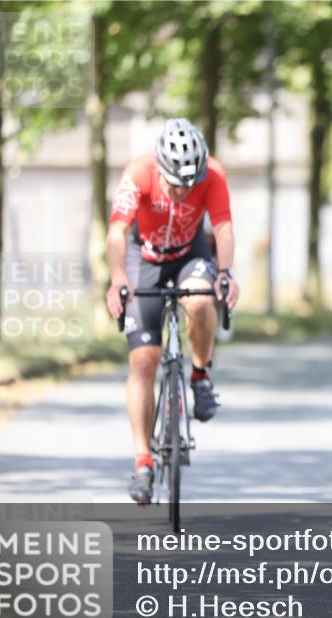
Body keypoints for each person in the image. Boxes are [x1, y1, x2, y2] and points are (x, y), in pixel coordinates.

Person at [104, 118, 241, 504]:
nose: (182, 192)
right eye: (174, 184)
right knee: (144, 362)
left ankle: (200, 373)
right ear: (159, 169)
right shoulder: (138, 173)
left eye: (189, 184)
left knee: (199, 299)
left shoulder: (212, 175)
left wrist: (226, 274)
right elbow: (116, 231)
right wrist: (117, 279)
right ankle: (143, 462)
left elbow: (225, 227)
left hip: (188, 254)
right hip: (142, 256)